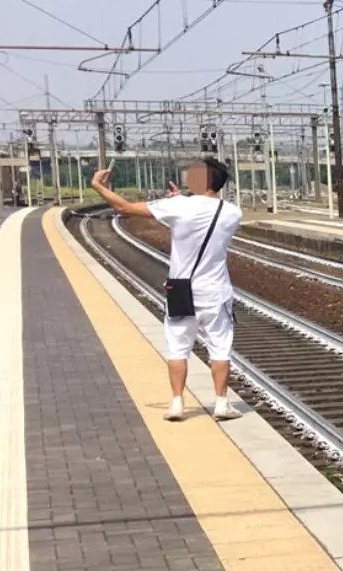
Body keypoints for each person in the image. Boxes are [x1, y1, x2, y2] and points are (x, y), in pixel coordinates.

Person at [91, 159, 244, 423]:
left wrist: (97, 186)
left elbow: (123, 207)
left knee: (177, 347)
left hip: (180, 289)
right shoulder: (232, 212)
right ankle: (221, 403)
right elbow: (198, 227)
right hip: (216, 292)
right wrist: (178, 204)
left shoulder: (177, 207)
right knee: (220, 348)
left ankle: (176, 404)